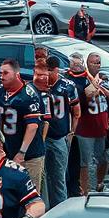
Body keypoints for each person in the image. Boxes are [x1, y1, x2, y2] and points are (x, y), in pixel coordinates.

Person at [0, 59, 45, 192]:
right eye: (0, 73)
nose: (1, 76)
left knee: (30, 193)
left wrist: (21, 153)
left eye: (5, 73)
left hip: (29, 154)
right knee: (6, 193)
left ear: (16, 74)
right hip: (5, 152)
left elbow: (33, 126)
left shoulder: (29, 95)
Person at [74, 52, 109, 194]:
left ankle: (100, 183)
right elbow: (78, 104)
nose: (96, 65)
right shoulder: (81, 81)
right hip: (85, 129)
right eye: (93, 62)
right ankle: (84, 190)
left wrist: (103, 90)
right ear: (87, 64)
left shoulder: (107, 80)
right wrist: (91, 91)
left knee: (103, 159)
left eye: (98, 62)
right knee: (84, 162)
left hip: (102, 128)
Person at [40, 57, 79, 209]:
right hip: (40, 138)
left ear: (56, 70)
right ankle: (43, 210)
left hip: (58, 136)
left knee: (58, 177)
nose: (46, 74)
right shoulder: (36, 85)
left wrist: (71, 132)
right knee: (41, 178)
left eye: (49, 71)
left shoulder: (67, 86)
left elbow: (76, 112)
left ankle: (60, 211)